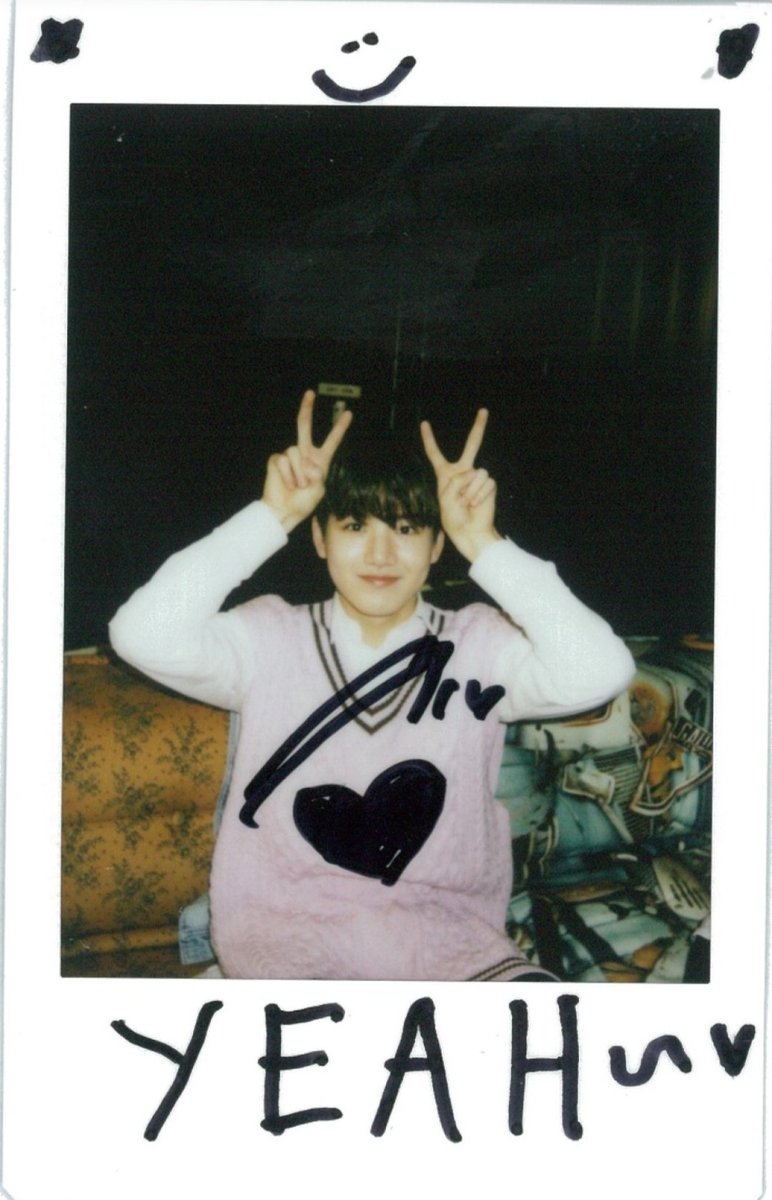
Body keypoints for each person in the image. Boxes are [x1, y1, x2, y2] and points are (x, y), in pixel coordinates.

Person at [109, 390, 634, 981]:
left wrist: (485, 544)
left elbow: (602, 671)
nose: (381, 553)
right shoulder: (269, 639)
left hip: (450, 938)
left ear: (437, 546)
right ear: (320, 539)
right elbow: (140, 633)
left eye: (406, 528)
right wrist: (271, 515)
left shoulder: (479, 646)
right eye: (355, 525)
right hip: (285, 938)